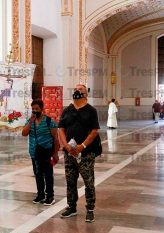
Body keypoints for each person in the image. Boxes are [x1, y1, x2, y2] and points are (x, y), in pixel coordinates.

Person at [58, 84, 100, 223]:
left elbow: (94, 131)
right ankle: (71, 207)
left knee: (88, 182)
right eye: (75, 89)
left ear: (86, 94)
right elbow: (61, 129)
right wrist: (65, 145)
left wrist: (82, 146)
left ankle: (90, 209)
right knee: (70, 181)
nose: (77, 91)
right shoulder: (67, 111)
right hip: (69, 152)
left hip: (86, 153)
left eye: (80, 90)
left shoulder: (91, 111)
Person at [22, 99, 59, 206]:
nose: (35, 111)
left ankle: (50, 196)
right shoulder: (30, 121)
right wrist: (30, 122)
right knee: (37, 173)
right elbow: (24, 133)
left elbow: (56, 138)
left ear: (42, 109)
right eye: (33, 109)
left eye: (37, 109)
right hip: (34, 153)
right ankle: (40, 194)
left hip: (46, 152)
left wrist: (55, 153)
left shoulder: (48, 121)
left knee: (47, 174)